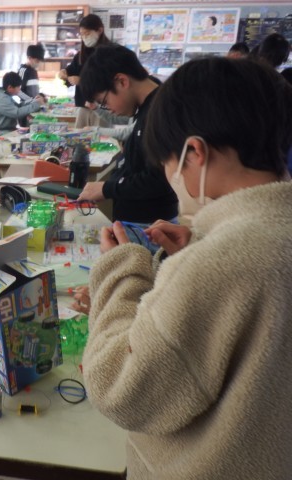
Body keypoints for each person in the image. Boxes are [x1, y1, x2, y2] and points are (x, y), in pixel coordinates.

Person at [83, 57, 292, 478]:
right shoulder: (272, 233)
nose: (170, 177)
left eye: (167, 163)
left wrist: (121, 270)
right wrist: (197, 248)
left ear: (194, 152)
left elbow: (120, 387)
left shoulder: (224, 260)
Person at [77, 44, 178, 224]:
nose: (108, 109)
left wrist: (107, 189)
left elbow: (160, 179)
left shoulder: (161, 111)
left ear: (122, 81)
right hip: (139, 221)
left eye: (104, 101)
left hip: (150, 225)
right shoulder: (147, 106)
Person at [58, 14, 112, 127]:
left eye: (87, 34)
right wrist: (64, 72)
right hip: (83, 106)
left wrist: (82, 81)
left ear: (99, 30)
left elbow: (110, 80)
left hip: (102, 107)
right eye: (82, 34)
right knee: (80, 136)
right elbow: (71, 71)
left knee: (100, 136)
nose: (84, 37)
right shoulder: (81, 54)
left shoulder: (111, 53)